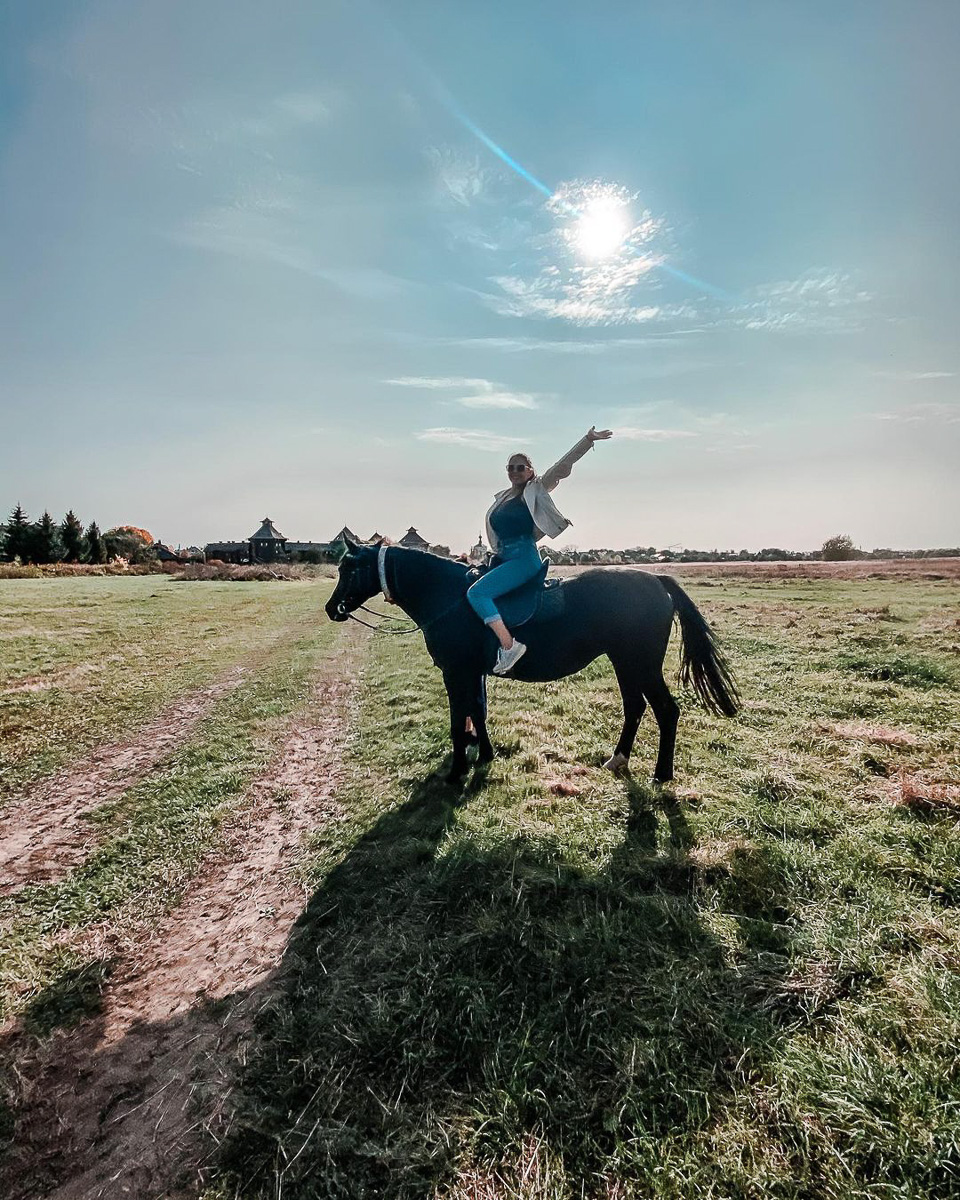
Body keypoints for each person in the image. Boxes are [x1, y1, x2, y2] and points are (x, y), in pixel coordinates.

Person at [467, 425, 613, 674]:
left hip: (524, 558)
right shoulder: (502, 498)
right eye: (510, 468)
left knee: (477, 594)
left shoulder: (536, 489)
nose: (515, 472)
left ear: (530, 471)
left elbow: (561, 467)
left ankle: (509, 646)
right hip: (503, 556)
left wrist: (587, 440)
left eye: (520, 467)